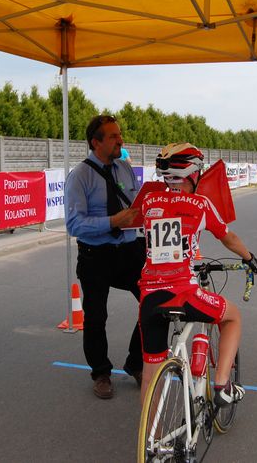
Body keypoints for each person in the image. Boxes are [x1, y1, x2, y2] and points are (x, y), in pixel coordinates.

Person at [137, 143, 257, 406]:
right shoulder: (200, 204)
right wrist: (248, 258)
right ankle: (222, 386)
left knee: (150, 374)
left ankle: (153, 440)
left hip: (149, 297)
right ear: (193, 174)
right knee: (233, 318)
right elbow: (228, 238)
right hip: (183, 293)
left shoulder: (149, 202)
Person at [64, 115, 145, 399]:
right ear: (95, 142)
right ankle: (100, 373)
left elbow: (135, 207)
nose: (120, 140)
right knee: (96, 317)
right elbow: (74, 225)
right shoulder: (79, 176)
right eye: (113, 137)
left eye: (119, 135)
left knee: (152, 303)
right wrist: (112, 222)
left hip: (130, 251)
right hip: (95, 256)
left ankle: (135, 363)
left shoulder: (125, 168)